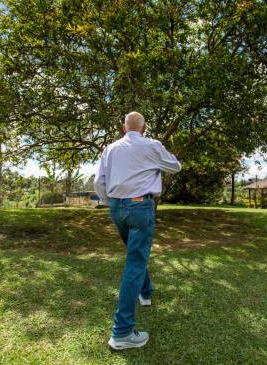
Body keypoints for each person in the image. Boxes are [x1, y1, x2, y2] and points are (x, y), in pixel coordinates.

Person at [94, 111, 181, 351]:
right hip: (140, 206)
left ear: (124, 129)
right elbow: (176, 166)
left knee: (135, 255)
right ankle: (122, 333)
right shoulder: (152, 145)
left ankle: (146, 292)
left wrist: (111, 201)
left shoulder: (110, 149)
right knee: (135, 262)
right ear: (144, 129)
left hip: (115, 207)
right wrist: (157, 155)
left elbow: (98, 182)